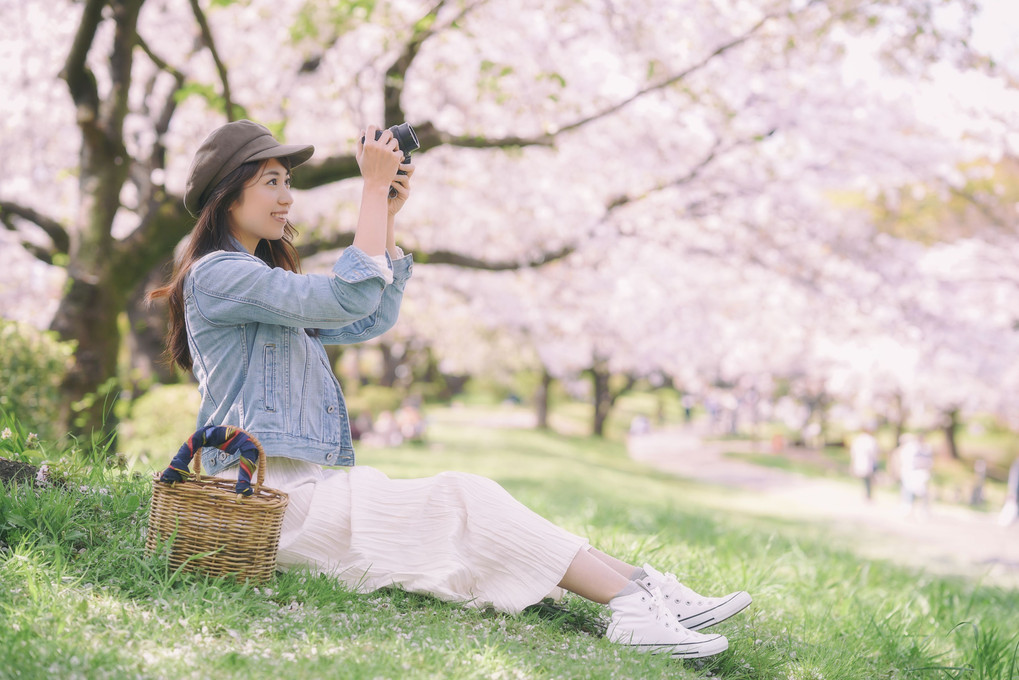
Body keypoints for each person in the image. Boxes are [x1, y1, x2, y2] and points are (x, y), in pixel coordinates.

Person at [149, 119, 751, 659]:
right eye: (272, 182)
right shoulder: (218, 275)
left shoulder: (261, 279)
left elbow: (366, 319)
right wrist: (367, 192)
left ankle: (644, 590)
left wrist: (384, 215)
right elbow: (349, 296)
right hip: (264, 500)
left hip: (306, 488)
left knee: (465, 499)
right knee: (463, 497)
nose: (286, 197)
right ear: (228, 196)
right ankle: (630, 605)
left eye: (287, 182)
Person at [849, 427, 879, 501]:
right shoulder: (870, 440)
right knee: (868, 479)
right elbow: (874, 452)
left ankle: (867, 494)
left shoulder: (859, 439)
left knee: (866, 479)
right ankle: (868, 494)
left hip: (863, 462)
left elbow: (853, 451)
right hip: (867, 462)